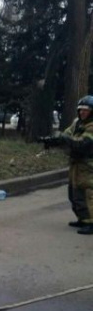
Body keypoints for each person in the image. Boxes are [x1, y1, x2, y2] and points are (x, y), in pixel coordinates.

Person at [60, 96, 93, 235]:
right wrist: (56, 139)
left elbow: (82, 143)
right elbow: (67, 133)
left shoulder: (91, 126)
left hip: (88, 165)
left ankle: (91, 223)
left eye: (85, 110)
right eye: (80, 110)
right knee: (74, 193)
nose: (82, 113)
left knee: (87, 193)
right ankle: (82, 219)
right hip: (76, 164)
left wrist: (66, 140)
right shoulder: (77, 123)